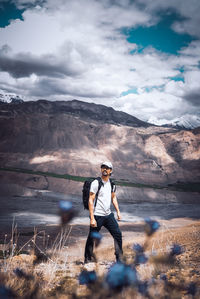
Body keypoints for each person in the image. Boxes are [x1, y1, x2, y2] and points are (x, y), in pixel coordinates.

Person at [84, 161, 123, 263]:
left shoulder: (112, 184)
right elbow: (90, 200)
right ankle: (87, 259)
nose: (105, 169)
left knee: (117, 234)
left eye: (107, 168)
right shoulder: (96, 183)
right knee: (92, 237)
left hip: (108, 215)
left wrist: (118, 211)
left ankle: (119, 259)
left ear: (111, 171)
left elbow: (113, 198)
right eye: (103, 167)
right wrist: (92, 218)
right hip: (97, 215)